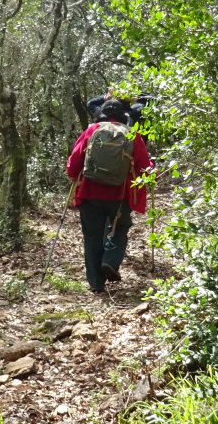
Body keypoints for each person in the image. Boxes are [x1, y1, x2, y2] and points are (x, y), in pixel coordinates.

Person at [65, 98, 153, 293]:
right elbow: (145, 167)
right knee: (119, 229)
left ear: (101, 113)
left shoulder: (92, 130)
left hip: (90, 193)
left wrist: (75, 178)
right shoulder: (132, 134)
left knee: (92, 236)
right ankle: (110, 261)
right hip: (120, 195)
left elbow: (73, 163)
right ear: (123, 115)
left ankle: (96, 283)